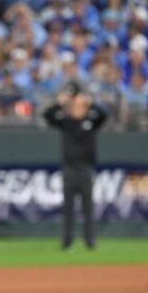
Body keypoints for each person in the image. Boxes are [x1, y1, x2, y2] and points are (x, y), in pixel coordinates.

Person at [43, 81, 108, 250]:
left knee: (88, 209)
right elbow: (48, 115)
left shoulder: (91, 122)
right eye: (75, 105)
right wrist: (60, 102)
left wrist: (91, 102)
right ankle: (67, 241)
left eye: (80, 105)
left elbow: (104, 116)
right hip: (70, 169)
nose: (77, 108)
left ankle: (90, 241)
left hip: (86, 169)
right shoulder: (66, 122)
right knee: (68, 209)